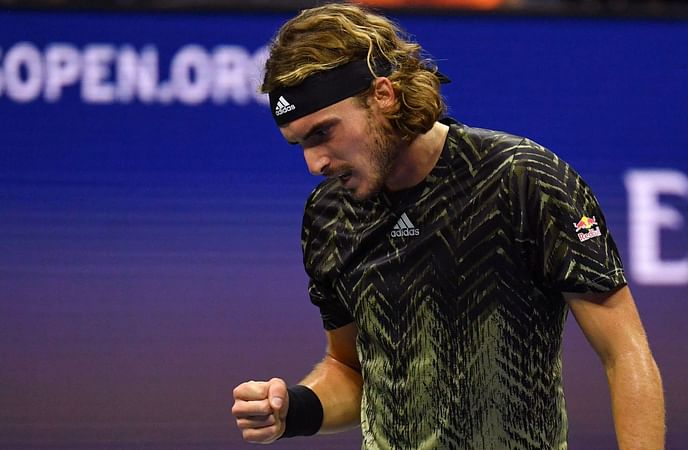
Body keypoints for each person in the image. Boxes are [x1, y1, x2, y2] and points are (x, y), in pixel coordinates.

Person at [230, 3, 665, 449]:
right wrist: (294, 409)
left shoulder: (523, 179)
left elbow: (624, 354)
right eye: (299, 143)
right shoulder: (328, 216)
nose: (313, 162)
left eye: (323, 133)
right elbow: (351, 369)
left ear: (383, 95)